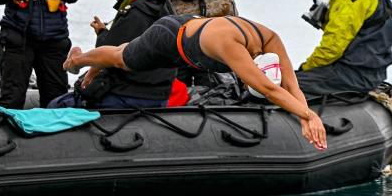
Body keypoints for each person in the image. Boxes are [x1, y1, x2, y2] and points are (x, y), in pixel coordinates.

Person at [63, 15, 327, 150]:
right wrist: (307, 114)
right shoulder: (233, 48)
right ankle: (77, 60)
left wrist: (307, 117)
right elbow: (269, 89)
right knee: (123, 58)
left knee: (125, 51)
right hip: (168, 39)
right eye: (249, 84)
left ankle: (93, 66)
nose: (246, 86)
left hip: (189, 32)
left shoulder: (271, 40)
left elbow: (292, 86)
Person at [49, 0, 176, 109]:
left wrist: (82, 65)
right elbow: (124, 46)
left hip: (130, 94)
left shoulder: (136, 12)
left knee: (56, 105)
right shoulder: (160, 7)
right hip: (157, 94)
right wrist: (103, 32)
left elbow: (109, 55)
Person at [297, 0, 392, 95]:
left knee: (285, 85)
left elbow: (331, 49)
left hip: (349, 75)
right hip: (375, 74)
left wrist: (305, 69)